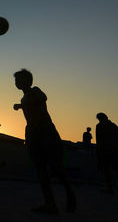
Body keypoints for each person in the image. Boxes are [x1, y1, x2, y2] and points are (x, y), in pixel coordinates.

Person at [13, 69, 76, 214]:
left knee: (56, 167)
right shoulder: (24, 98)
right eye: (16, 80)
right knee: (40, 170)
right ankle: (50, 204)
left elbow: (43, 98)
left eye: (20, 79)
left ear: (28, 81)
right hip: (32, 133)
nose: (17, 82)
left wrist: (21, 106)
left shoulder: (35, 91)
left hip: (46, 131)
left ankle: (69, 193)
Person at [95, 112, 118, 195]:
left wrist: (102, 149)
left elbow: (99, 141)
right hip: (112, 151)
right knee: (115, 170)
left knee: (110, 170)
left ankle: (113, 187)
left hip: (107, 151)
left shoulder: (100, 126)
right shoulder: (114, 126)